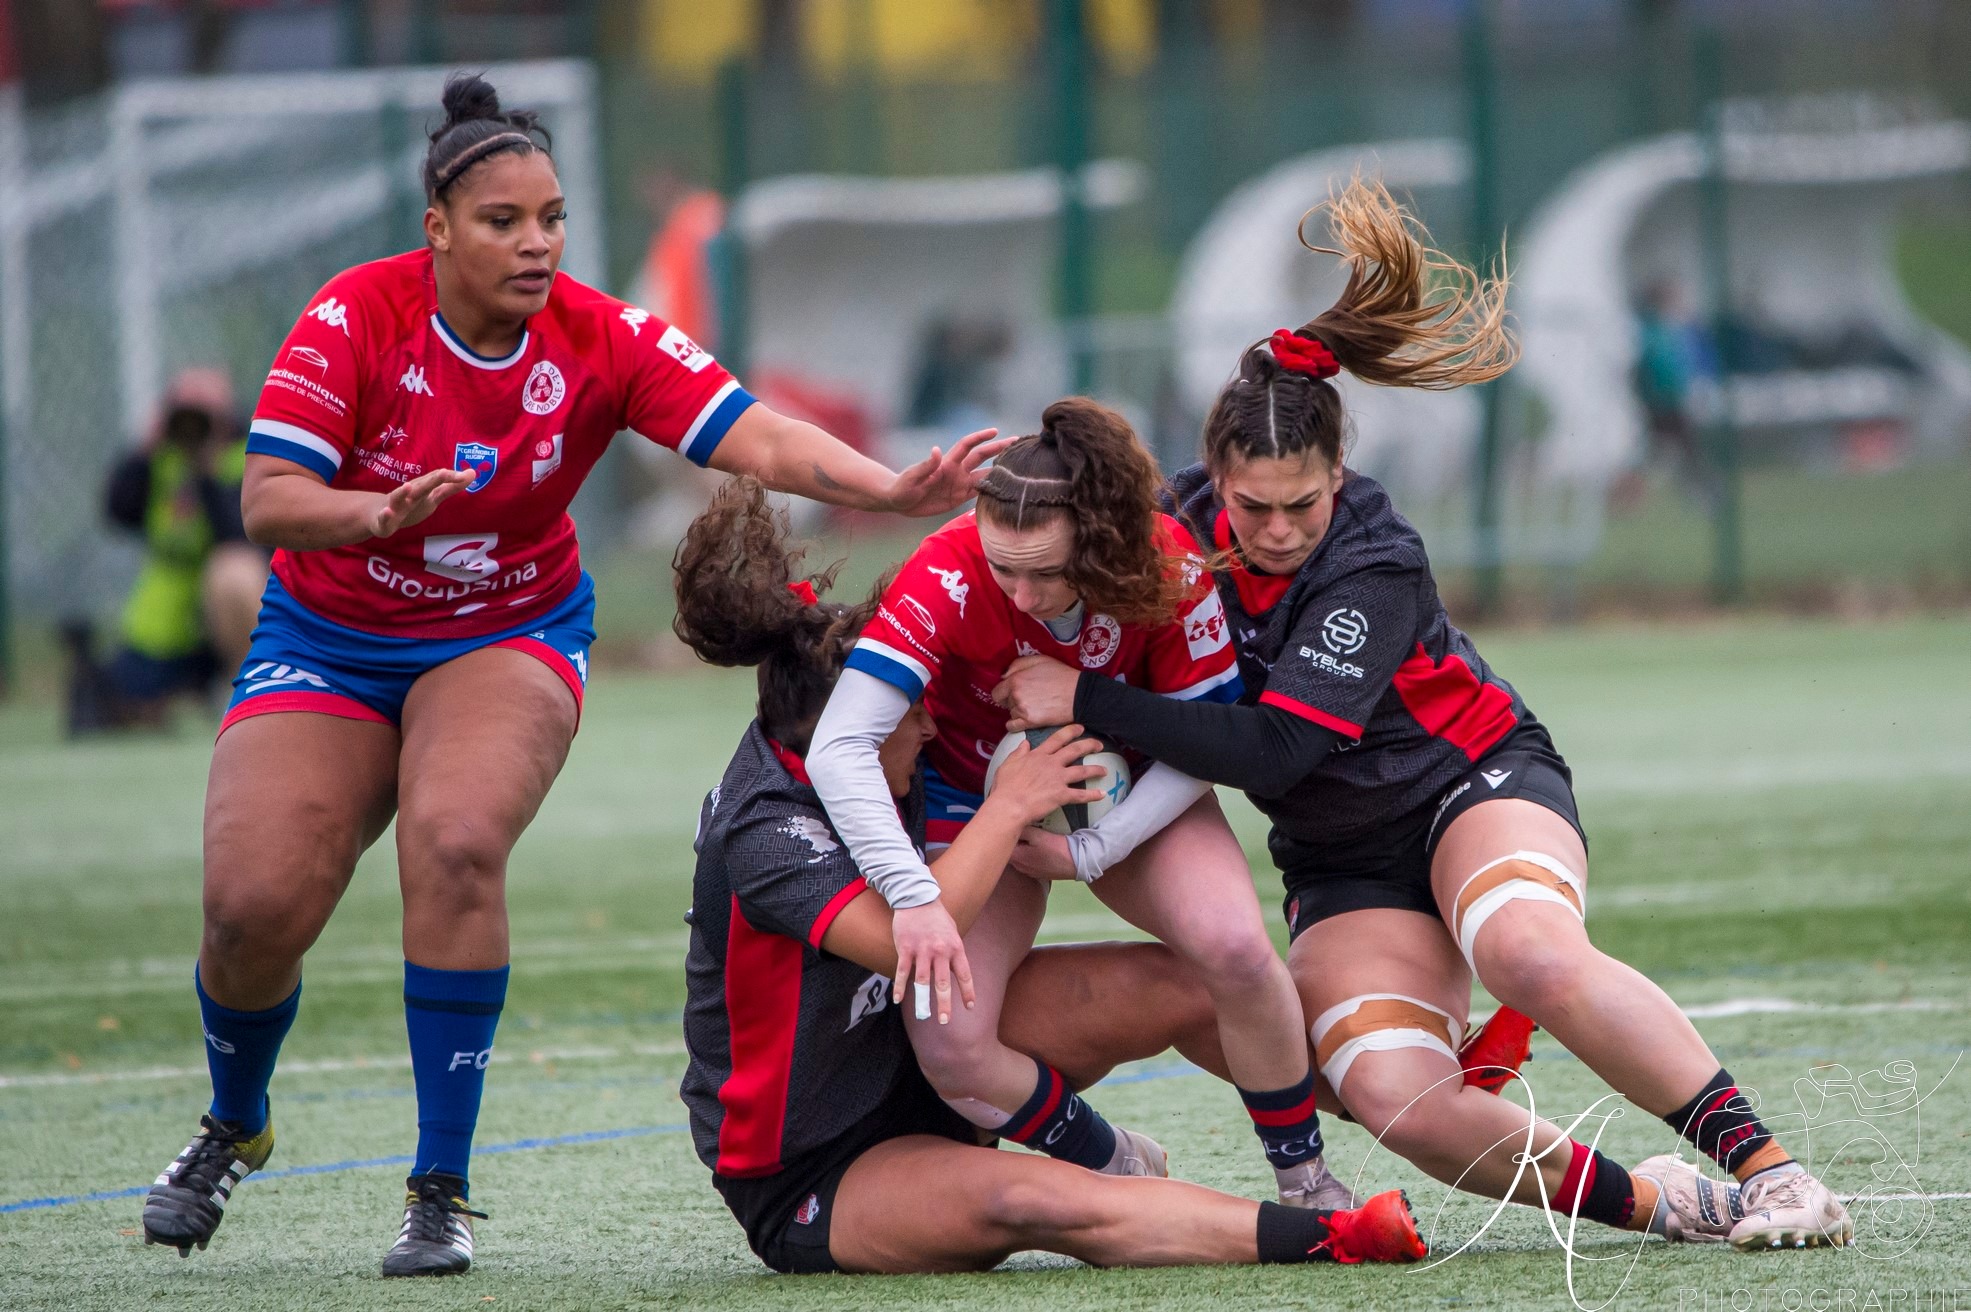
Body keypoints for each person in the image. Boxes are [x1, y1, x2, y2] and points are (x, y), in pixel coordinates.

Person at [139, 72, 1008, 1278]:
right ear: (436, 227)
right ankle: (236, 1117)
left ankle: (438, 1186)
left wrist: (888, 485)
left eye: (551, 218)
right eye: (504, 221)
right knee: (251, 907)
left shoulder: (597, 333)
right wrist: (373, 508)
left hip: (510, 628)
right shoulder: (352, 317)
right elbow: (271, 503)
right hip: (330, 637)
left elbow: (748, 427)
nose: (537, 242)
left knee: (453, 843)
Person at [994, 179, 1854, 1253]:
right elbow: (1043, 553)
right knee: (1391, 1092)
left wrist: (1084, 697)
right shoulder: (1180, 524)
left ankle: (1771, 1169)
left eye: (1300, 503)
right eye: (1252, 505)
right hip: (1343, 862)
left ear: (1338, 472)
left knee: (1528, 952)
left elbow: (1282, 745)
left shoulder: (1373, 556)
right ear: (1214, 475)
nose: (1274, 529)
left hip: (1472, 787)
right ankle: (1668, 1200)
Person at [672, 476, 1428, 1274]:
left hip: (919, 1063)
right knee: (1036, 1201)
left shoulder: (892, 760)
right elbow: (909, 947)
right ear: (838, 733)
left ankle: (1400, 1094)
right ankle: (1326, 1235)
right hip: (821, 1163)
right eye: (910, 714)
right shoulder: (765, 827)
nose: (932, 721)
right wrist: (1011, 806)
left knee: (1201, 975)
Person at [808, 398, 1353, 1208]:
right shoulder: (946, 568)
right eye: (1004, 569)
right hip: (970, 807)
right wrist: (914, 896)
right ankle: (1122, 1170)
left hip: (1139, 787)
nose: (1021, 598)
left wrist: (1099, 846)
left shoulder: (1166, 562)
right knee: (953, 1046)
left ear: (1101, 543)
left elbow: (1208, 739)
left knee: (1236, 948)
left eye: (1047, 573)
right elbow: (839, 746)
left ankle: (1307, 1184)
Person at [64, 368, 267, 734]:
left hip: (232, 613)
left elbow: (242, 536)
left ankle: (252, 689)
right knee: (117, 698)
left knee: (231, 570)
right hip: (170, 621)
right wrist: (146, 446)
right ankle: (164, 699)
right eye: (184, 412)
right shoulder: (164, 456)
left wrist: (206, 473)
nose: (193, 426)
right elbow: (117, 511)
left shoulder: (248, 454)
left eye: (203, 414)